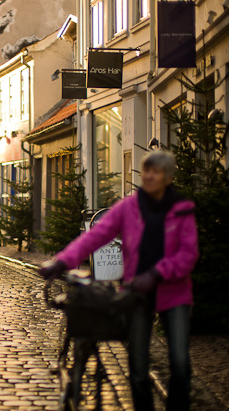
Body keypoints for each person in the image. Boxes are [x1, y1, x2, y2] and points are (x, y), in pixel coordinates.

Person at [39, 151, 199, 411]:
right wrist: (61, 261)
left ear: (168, 178)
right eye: (146, 170)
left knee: (180, 364)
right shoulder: (129, 207)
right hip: (136, 294)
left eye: (155, 172)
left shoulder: (181, 210)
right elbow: (96, 235)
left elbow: (188, 255)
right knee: (137, 368)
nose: (148, 176)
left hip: (174, 295)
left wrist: (156, 274)